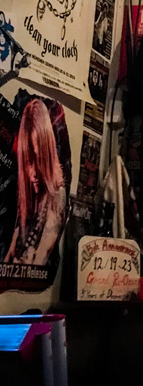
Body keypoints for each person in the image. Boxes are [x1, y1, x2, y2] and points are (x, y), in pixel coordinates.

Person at [6, 100, 67, 266]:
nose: (33, 172)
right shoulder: (27, 195)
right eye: (28, 161)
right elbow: (11, 250)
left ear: (47, 153)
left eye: (38, 158)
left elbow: (40, 258)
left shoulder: (56, 196)